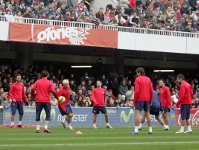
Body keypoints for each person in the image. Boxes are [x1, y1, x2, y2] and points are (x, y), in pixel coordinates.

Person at [130, 67, 153, 134]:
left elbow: (136, 91)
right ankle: (150, 130)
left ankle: (136, 130)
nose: (136, 74)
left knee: (137, 114)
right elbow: (151, 90)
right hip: (147, 99)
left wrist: (134, 101)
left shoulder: (137, 79)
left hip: (140, 98)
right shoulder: (148, 79)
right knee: (148, 114)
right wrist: (151, 100)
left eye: (137, 73)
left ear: (139, 73)